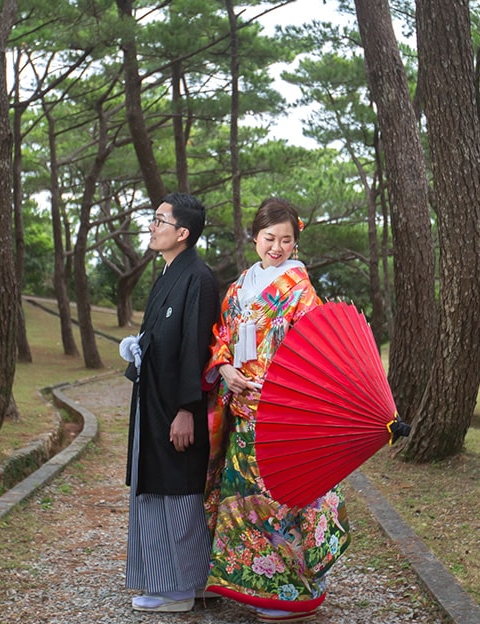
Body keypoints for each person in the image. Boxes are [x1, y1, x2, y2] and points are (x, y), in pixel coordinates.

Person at [202, 197, 349, 623]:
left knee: (285, 498)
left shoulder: (301, 290)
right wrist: (226, 369)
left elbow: (315, 348)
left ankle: (296, 593)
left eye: (286, 240)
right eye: (270, 238)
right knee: (245, 500)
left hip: (283, 412)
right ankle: (257, 589)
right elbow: (221, 335)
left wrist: (290, 389)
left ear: (295, 243)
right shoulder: (239, 287)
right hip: (243, 409)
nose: (277, 247)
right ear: (254, 238)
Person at [122, 192, 221, 614]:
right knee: (155, 488)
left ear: (182, 233)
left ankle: (182, 587)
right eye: (154, 218)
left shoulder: (198, 278)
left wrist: (188, 409)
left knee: (179, 489)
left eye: (160, 220)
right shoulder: (167, 273)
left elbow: (196, 349)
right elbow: (160, 337)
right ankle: (168, 580)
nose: (152, 226)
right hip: (154, 399)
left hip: (177, 407)